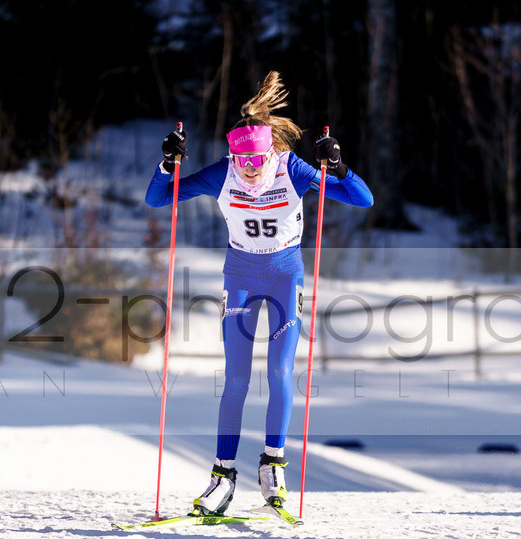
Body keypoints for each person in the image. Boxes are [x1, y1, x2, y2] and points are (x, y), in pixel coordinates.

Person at [144, 72, 373, 514]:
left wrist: (340, 166)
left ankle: (272, 466)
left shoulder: (293, 170)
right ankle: (222, 476)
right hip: (241, 278)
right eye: (240, 161)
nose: (248, 170)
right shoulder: (223, 174)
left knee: (279, 373)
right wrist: (167, 165)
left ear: (272, 152)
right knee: (236, 379)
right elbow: (159, 200)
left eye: (256, 161)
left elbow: (362, 199)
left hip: (286, 277)